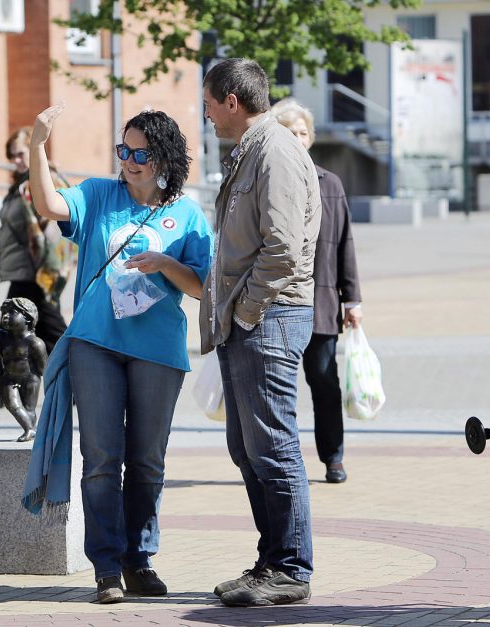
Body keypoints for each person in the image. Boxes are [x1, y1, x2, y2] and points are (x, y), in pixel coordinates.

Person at [28, 104, 213, 604]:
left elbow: (200, 288)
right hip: (96, 343)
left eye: (140, 153)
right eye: (123, 150)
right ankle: (107, 567)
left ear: (164, 157)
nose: (128, 161)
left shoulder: (188, 213)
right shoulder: (97, 194)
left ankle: (139, 559)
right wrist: (38, 145)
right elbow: (48, 205)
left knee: (148, 460)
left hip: (157, 349)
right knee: (102, 458)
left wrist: (164, 263)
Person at [199, 58, 321, 607]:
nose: (204, 113)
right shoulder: (253, 149)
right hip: (248, 320)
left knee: (272, 448)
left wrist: (245, 312)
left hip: (268, 318)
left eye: (207, 102)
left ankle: (291, 568)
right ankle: (272, 561)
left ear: (230, 100)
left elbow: (283, 248)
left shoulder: (275, 151)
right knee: (248, 450)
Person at [272, 98, 363, 484]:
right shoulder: (268, 179)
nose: (297, 137)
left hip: (322, 304)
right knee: (280, 392)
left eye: (302, 131)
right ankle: (281, 462)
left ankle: (333, 457)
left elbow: (345, 244)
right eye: (289, 131)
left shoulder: (331, 183)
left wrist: (353, 299)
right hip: (275, 305)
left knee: (325, 383)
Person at [0, 127, 72, 354]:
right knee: (30, 333)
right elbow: (8, 228)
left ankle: (82, 369)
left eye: (21, 154)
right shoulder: (21, 185)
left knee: (20, 329)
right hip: (26, 271)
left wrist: (47, 271)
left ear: (35, 151)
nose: (16, 160)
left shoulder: (43, 182)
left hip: (39, 273)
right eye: (12, 155)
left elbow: (57, 228)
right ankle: (59, 375)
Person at [0, 297, 48, 442]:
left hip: (30, 380)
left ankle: (30, 430)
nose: (5, 316)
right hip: (9, 378)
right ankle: (30, 429)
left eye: (11, 313)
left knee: (29, 410)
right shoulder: (3, 338)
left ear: (28, 318)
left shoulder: (35, 343)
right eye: (4, 313)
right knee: (13, 404)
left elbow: (44, 368)